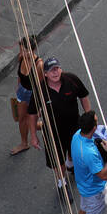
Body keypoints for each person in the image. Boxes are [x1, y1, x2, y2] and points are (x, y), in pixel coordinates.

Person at [40, 58, 91, 190]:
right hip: (53, 132)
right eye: (51, 71)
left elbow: (83, 96)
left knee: (74, 152)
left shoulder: (71, 79)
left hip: (74, 127)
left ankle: (70, 164)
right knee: (58, 161)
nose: (55, 73)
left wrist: (89, 116)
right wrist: (33, 136)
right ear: (45, 74)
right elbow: (33, 113)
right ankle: (61, 182)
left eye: (57, 69)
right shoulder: (40, 89)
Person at [70, 111, 107, 214]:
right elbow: (104, 175)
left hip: (84, 186)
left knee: (83, 211)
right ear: (94, 128)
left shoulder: (77, 135)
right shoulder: (89, 154)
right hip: (94, 191)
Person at [11, 36, 45, 156]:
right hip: (22, 92)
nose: (22, 53)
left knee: (31, 121)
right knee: (21, 119)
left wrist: (39, 106)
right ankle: (24, 143)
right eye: (21, 50)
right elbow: (20, 75)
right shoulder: (21, 58)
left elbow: (41, 87)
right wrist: (18, 86)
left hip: (33, 95)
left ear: (32, 50)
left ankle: (44, 126)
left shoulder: (39, 65)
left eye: (25, 50)